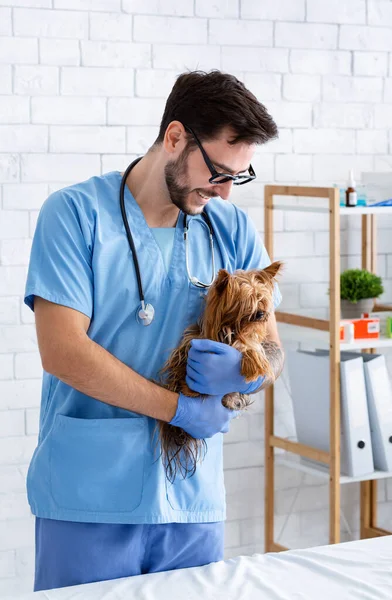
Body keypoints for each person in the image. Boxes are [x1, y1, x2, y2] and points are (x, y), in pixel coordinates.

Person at [24, 70, 284, 592]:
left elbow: (271, 345)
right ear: (174, 137)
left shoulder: (228, 228)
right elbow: (62, 352)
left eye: (239, 176)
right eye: (217, 171)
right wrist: (180, 409)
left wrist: (249, 373)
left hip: (191, 498)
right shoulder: (75, 216)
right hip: (88, 496)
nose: (226, 193)